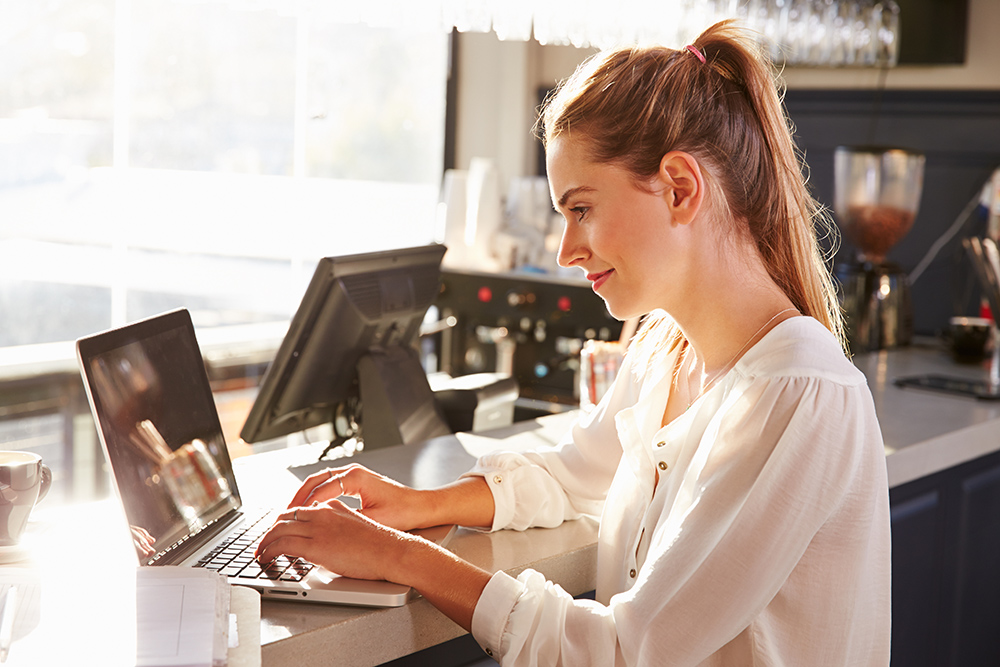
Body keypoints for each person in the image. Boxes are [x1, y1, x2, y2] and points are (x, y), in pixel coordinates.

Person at [255, 20, 891, 666]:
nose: (565, 250)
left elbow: (623, 651)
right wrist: (421, 505)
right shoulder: (665, 352)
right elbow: (573, 475)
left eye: (580, 208)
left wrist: (400, 556)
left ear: (679, 188)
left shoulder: (796, 395)